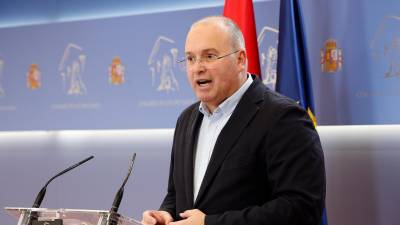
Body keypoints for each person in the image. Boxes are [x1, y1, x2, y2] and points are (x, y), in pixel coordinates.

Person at [142, 16, 325, 225]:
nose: (197, 68)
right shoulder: (186, 119)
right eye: (190, 59)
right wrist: (165, 214)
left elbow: (301, 208)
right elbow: (176, 195)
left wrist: (210, 223)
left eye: (209, 56)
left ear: (240, 60)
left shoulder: (283, 118)